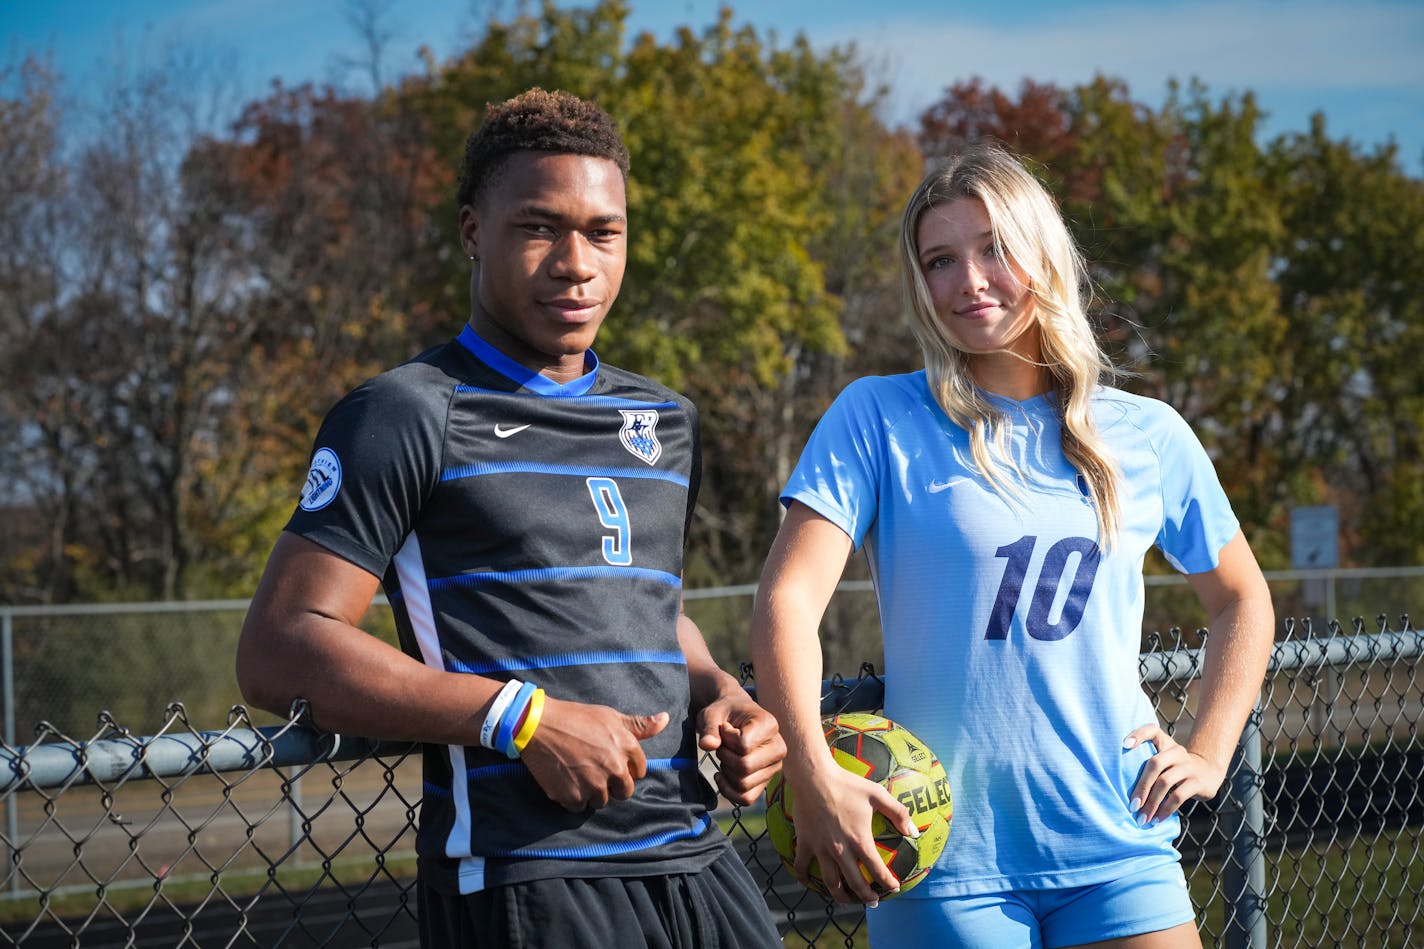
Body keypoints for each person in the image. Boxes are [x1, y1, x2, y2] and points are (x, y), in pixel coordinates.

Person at [236, 88, 786, 949]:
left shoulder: (665, 420)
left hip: (699, 861)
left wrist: (723, 694)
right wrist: (520, 718)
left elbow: (646, 606)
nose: (576, 261)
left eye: (604, 231)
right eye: (538, 227)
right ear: (470, 233)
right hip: (530, 876)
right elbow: (278, 647)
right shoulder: (404, 412)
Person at [748, 142, 1274, 948]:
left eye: (995, 247)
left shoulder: (1146, 433)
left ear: (1043, 252)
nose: (970, 280)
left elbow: (1242, 597)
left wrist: (1208, 749)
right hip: (941, 860)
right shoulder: (877, 417)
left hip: (1118, 841)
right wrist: (810, 767)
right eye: (940, 260)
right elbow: (787, 598)